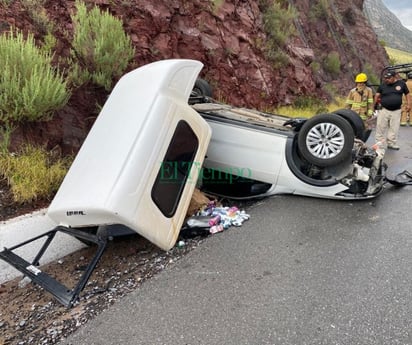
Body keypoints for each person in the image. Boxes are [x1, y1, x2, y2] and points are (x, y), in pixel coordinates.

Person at [374, 70, 411, 150]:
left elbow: (407, 94)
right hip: (384, 110)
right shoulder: (383, 85)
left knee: (394, 128)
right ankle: (378, 143)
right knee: (380, 127)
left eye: (389, 78)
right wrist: (374, 106)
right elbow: (377, 96)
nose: (386, 79)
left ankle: (391, 143)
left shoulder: (401, 84)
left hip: (396, 110)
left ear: (394, 77)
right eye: (386, 78)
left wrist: (409, 104)